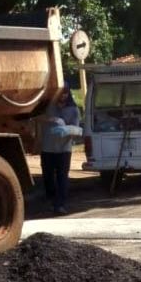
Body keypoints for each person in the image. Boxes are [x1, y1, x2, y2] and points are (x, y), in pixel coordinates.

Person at [40, 85, 83, 215]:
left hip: (64, 149)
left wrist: (66, 129)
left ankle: (60, 204)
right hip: (47, 148)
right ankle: (51, 201)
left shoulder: (73, 110)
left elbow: (77, 129)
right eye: (61, 93)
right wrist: (52, 119)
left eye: (65, 93)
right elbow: (35, 118)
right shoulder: (48, 107)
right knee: (48, 177)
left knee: (62, 178)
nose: (63, 96)